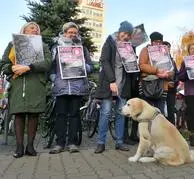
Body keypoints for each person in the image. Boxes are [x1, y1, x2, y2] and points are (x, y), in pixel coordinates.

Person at [0, 22, 51, 158]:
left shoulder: (43, 46)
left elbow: (47, 63)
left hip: (36, 84)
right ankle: (19, 147)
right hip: (17, 84)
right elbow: (4, 63)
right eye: (32, 27)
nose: (35, 30)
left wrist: (29, 67)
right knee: (19, 114)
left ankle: (30, 146)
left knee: (34, 114)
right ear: (24, 30)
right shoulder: (13, 45)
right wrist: (12, 68)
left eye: (37, 28)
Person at [49, 22, 93, 154]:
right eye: (70, 32)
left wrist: (83, 67)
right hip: (61, 87)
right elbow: (51, 67)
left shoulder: (82, 49)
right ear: (64, 33)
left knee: (74, 115)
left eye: (75, 32)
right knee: (60, 115)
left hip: (76, 87)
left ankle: (72, 143)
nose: (73, 34)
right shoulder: (56, 48)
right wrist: (54, 79)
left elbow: (90, 66)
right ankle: (59, 143)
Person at [94, 21, 135, 153]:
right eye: (124, 33)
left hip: (122, 85)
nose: (126, 36)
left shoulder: (130, 47)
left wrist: (133, 62)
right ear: (119, 32)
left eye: (128, 34)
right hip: (108, 84)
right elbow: (104, 61)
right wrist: (111, 81)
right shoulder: (110, 42)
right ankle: (101, 142)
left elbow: (131, 66)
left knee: (121, 114)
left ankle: (119, 142)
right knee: (105, 113)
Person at [138, 32, 174, 113]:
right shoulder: (145, 50)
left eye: (160, 42)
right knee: (146, 113)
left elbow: (171, 69)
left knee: (160, 113)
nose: (158, 43)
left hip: (163, 86)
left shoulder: (165, 52)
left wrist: (167, 74)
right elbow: (142, 65)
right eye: (155, 41)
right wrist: (156, 70)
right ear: (151, 42)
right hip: (147, 85)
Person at [163, 41, 178, 125]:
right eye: (164, 47)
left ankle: (172, 130)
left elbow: (177, 74)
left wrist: (174, 82)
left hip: (171, 90)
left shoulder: (172, 61)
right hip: (161, 88)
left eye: (168, 47)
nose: (167, 49)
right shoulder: (156, 60)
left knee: (171, 110)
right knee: (160, 110)